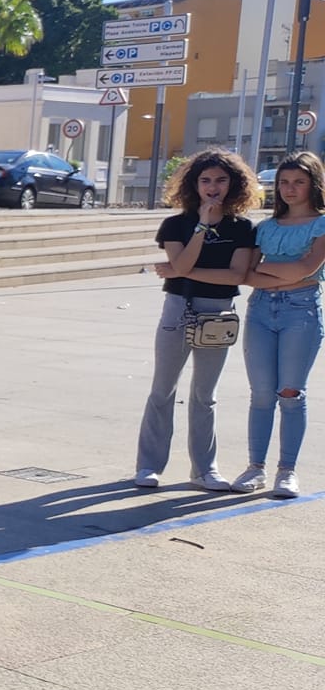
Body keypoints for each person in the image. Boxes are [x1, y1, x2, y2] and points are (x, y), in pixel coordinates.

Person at [135, 149, 261, 491]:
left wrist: (182, 269)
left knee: (206, 394)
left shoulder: (243, 228)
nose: (213, 187)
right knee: (163, 389)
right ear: (194, 184)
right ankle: (148, 465)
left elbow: (236, 274)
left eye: (221, 180)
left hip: (218, 311)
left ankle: (205, 469)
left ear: (233, 184)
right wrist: (203, 226)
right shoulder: (176, 224)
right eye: (205, 180)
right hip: (179, 306)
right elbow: (183, 265)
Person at [233, 152, 325, 498]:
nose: (290, 189)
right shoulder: (266, 228)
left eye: (298, 182)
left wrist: (271, 274)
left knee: (290, 392)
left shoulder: (322, 223)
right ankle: (255, 467)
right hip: (260, 312)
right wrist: (287, 274)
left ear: (313, 185)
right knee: (260, 394)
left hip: (300, 314)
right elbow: (246, 274)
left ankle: (287, 471)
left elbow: (307, 268)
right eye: (284, 182)